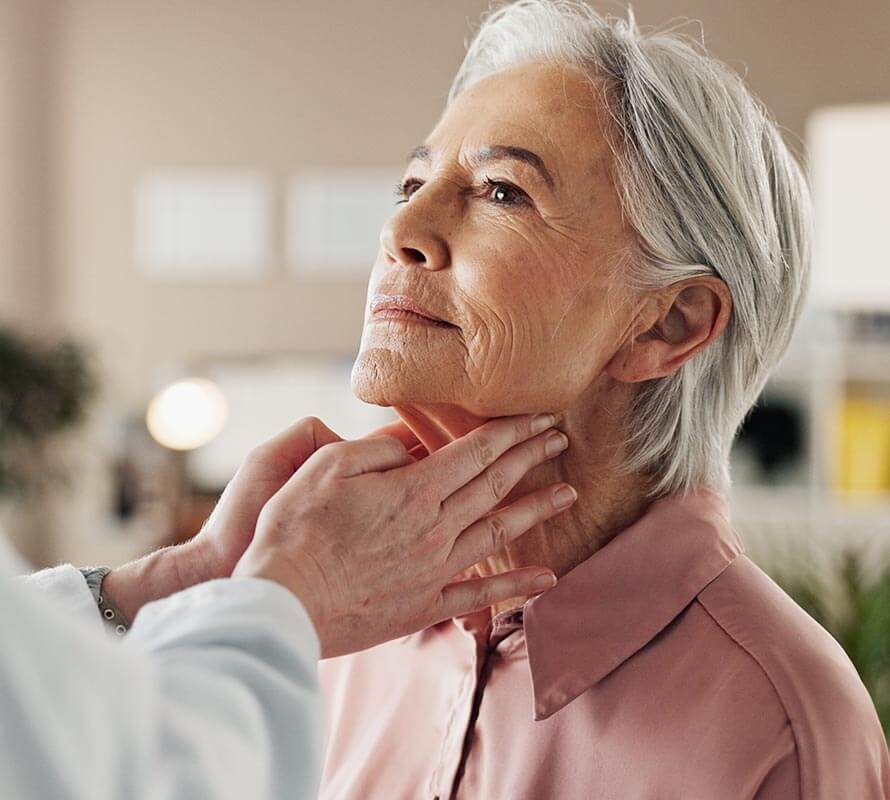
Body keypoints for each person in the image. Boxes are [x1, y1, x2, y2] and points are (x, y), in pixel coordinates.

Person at [317, 2, 890, 799]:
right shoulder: (342, 635)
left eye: (501, 192)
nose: (403, 227)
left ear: (669, 321)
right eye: (412, 182)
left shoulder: (780, 727)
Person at [1, 412, 575, 799]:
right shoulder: (337, 664)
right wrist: (298, 586)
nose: (396, 231)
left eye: (512, 218)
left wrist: (200, 570)